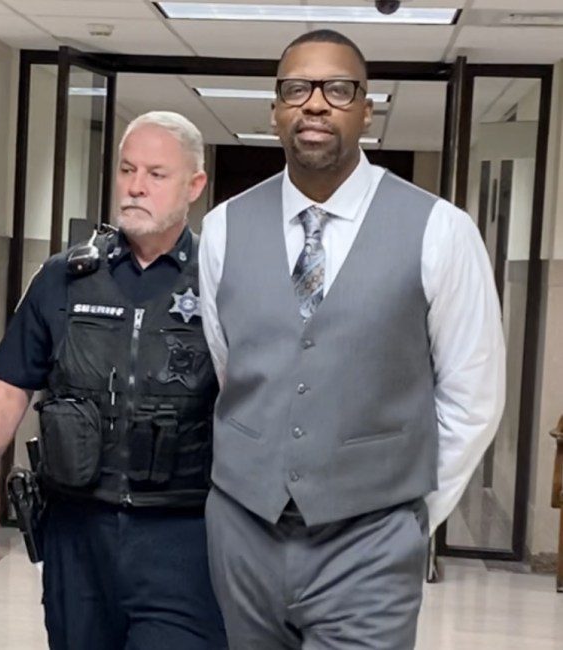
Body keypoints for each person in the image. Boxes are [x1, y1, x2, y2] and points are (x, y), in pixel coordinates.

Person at [199, 29, 505, 650]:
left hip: (371, 545)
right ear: (276, 109)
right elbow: (233, 368)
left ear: (367, 109)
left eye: (338, 89)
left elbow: (473, 397)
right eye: (296, 89)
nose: (315, 103)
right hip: (244, 536)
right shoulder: (223, 228)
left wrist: (410, 518)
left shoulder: (440, 231)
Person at [0, 111, 227, 650]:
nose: (135, 186)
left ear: (194, 185)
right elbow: (12, 388)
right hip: (79, 536)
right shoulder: (64, 277)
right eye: (127, 170)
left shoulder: (224, 280)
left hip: (185, 539)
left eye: (156, 173)